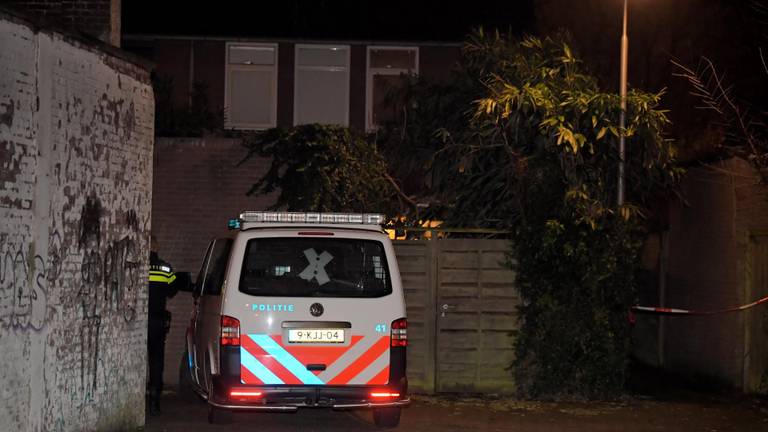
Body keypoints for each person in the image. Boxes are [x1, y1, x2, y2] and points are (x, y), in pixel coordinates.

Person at [147, 235, 179, 415]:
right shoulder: (165, 268)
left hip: (137, 323)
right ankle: (154, 401)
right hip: (158, 321)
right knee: (157, 360)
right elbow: (172, 291)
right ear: (156, 248)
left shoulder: (134, 265)